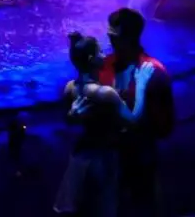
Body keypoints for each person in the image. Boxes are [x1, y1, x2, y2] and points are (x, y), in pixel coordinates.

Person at [55, 32, 155, 216]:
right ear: (92, 59)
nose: (104, 55)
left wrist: (71, 116)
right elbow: (133, 120)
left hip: (81, 155)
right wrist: (141, 85)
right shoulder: (105, 93)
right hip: (103, 157)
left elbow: (68, 119)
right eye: (100, 52)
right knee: (104, 206)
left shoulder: (69, 88)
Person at [98, 8, 176, 216]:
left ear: (131, 37)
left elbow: (165, 126)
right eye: (109, 36)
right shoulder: (103, 67)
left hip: (140, 160)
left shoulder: (155, 72)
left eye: (114, 37)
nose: (110, 41)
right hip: (107, 160)